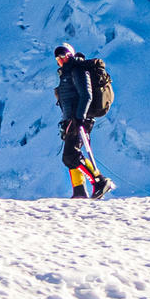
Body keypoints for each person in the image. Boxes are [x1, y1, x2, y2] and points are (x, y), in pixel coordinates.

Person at [53, 44, 112, 199]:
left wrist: (79, 117)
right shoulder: (66, 73)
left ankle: (99, 181)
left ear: (70, 55)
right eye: (58, 58)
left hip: (80, 120)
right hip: (71, 120)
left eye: (63, 56)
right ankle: (79, 191)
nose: (61, 60)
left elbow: (86, 95)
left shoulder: (77, 69)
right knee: (72, 155)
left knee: (70, 155)